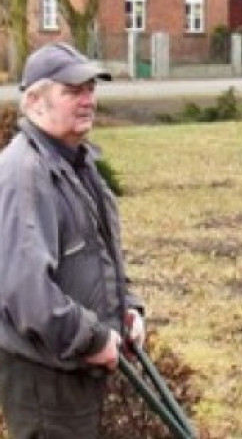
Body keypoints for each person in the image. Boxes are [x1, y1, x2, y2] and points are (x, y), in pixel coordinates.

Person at [0, 42, 145, 438]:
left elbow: (96, 255)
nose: (87, 101)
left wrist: (127, 309)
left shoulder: (76, 163)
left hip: (74, 365)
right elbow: (26, 292)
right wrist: (93, 338)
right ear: (34, 101)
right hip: (45, 379)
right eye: (72, 91)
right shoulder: (26, 173)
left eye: (90, 89)